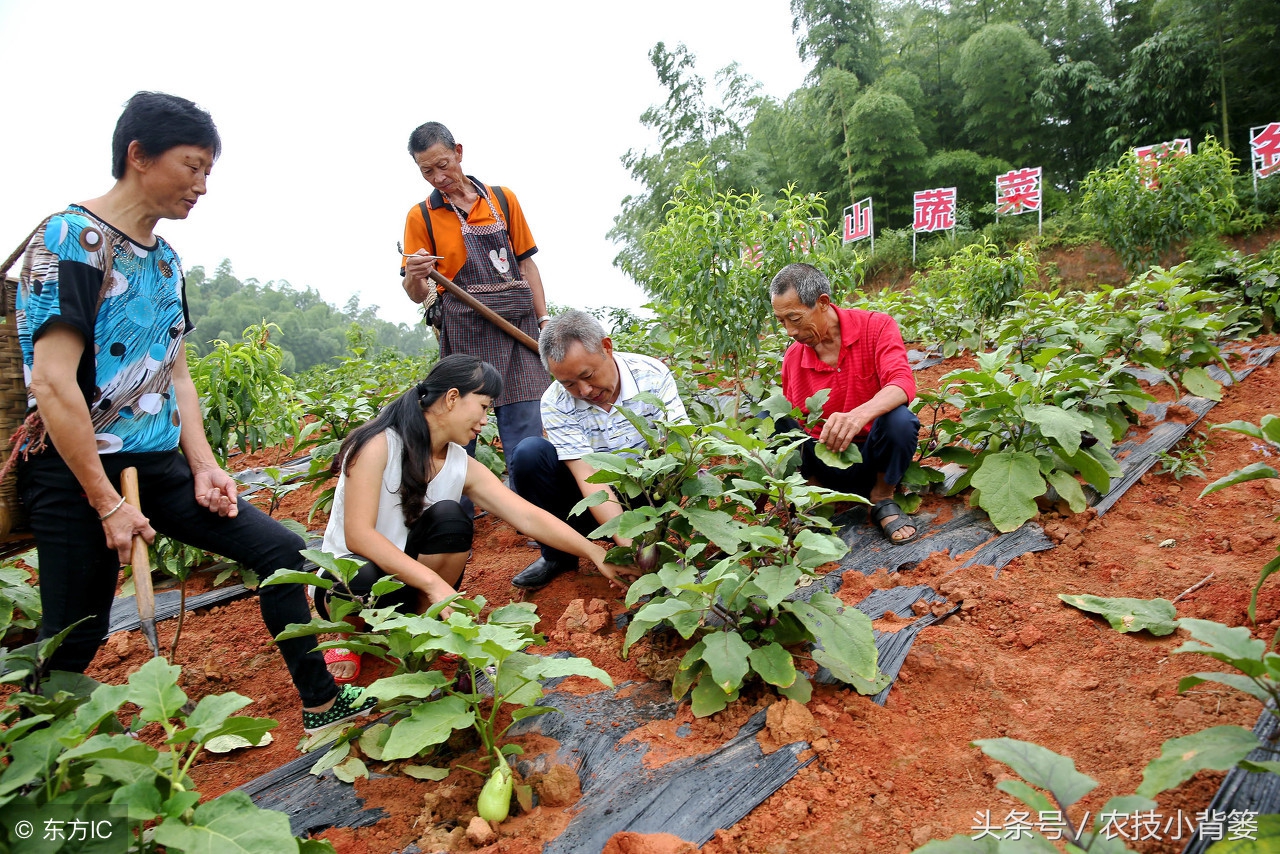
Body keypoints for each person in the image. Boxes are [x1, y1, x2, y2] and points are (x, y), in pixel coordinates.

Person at [10, 92, 372, 734]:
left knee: (282, 551)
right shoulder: (71, 238)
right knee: (76, 632)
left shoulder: (167, 259)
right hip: (75, 473)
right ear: (139, 156)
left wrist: (203, 466)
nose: (203, 185)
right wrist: (105, 502)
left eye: (209, 170)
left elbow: (175, 374)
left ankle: (321, 704)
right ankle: (31, 765)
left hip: (157, 464)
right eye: (193, 165)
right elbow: (54, 382)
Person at [317, 354, 638, 678]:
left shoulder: (461, 464)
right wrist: (434, 584)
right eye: (483, 406)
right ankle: (350, 636)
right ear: (453, 398)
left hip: (409, 586)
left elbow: (527, 516)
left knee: (451, 518)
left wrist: (595, 552)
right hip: (350, 585)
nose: (486, 420)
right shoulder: (379, 444)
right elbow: (357, 535)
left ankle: (425, 625)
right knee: (359, 573)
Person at [507, 310, 688, 589]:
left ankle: (659, 542)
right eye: (569, 384)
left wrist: (641, 548)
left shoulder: (651, 376)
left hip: (647, 497)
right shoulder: (555, 401)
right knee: (529, 453)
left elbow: (677, 450)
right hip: (589, 499)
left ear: (607, 347)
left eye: (587, 375)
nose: (584, 390)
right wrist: (627, 549)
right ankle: (559, 555)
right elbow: (587, 474)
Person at [400, 121, 549, 460]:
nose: (438, 177)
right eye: (427, 171)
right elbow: (416, 291)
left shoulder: (502, 200)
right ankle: (456, 511)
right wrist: (413, 274)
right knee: (457, 442)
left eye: (443, 165)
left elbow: (526, 266)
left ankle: (530, 508)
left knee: (527, 441)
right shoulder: (421, 217)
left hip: (518, 334)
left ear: (458, 153)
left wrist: (544, 323)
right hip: (467, 341)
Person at [769, 263, 921, 544]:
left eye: (795, 318)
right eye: (782, 321)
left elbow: (902, 383)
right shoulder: (793, 357)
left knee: (900, 420)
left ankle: (882, 497)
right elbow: (799, 423)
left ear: (823, 303)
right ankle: (814, 495)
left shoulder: (876, 327)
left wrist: (857, 416)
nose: (789, 330)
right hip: (826, 460)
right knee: (777, 418)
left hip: (874, 456)